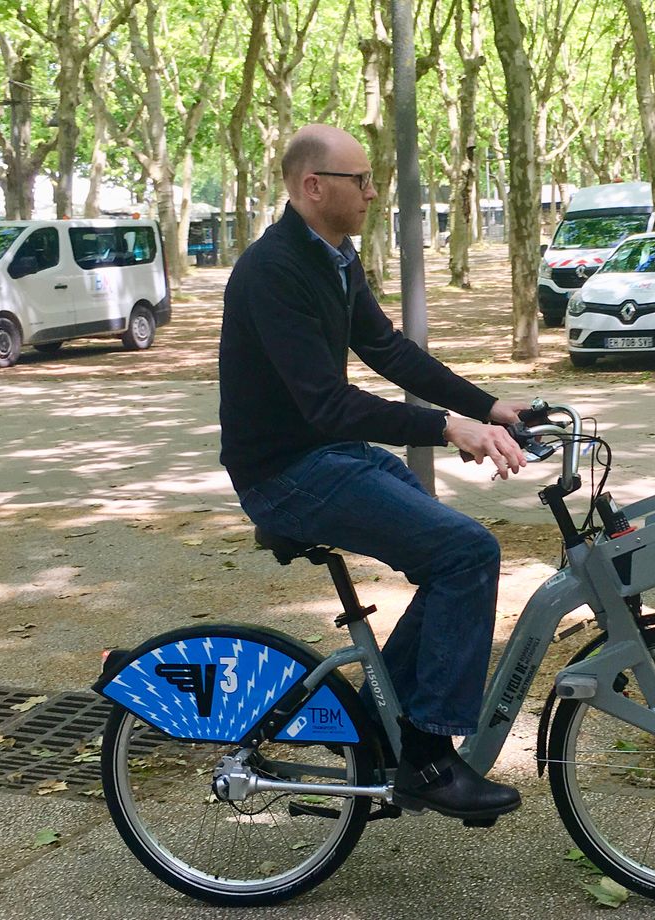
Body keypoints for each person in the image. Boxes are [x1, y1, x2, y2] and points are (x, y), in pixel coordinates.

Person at [219, 124, 527, 822]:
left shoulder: (334, 257)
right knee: (467, 552)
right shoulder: (274, 270)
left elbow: (387, 348)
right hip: (286, 474)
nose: (371, 190)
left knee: (451, 552)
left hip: (324, 458)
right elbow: (327, 405)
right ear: (312, 186)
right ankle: (427, 754)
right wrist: (447, 427)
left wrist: (487, 406)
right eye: (359, 179)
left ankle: (374, 722)